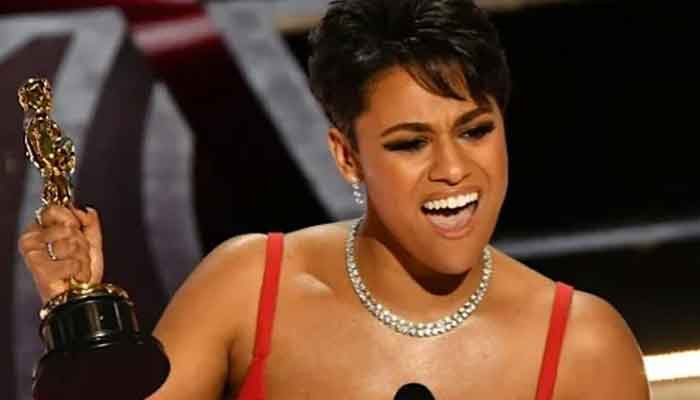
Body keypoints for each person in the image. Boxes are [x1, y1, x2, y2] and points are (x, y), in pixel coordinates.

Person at [18, 0, 651, 398]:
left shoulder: (584, 343)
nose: (454, 170)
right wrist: (82, 323)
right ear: (347, 155)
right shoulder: (250, 285)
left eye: (475, 131)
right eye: (410, 143)